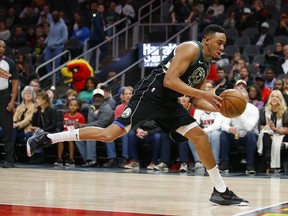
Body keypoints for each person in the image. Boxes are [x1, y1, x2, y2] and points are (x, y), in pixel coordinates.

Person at [26, 24, 249, 206]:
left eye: (224, 44)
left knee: (200, 136)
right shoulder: (190, 48)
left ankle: (220, 191)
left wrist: (218, 105)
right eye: (220, 42)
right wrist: (204, 93)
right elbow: (169, 80)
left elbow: (195, 100)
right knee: (109, 134)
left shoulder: (207, 63)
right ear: (207, 39)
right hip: (151, 94)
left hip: (170, 103)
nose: (222, 47)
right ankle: (47, 137)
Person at [219, 89, 259, 175]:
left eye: (243, 98)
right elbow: (223, 125)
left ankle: (250, 165)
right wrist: (229, 129)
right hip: (234, 135)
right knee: (223, 134)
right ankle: (224, 164)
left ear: (247, 99)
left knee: (251, 134)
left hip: (247, 137)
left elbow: (249, 127)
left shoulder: (253, 109)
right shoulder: (230, 107)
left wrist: (240, 113)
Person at [74, 89, 116, 168]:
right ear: (93, 98)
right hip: (94, 129)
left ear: (103, 98)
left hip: (105, 130)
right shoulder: (91, 107)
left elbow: (100, 124)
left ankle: (92, 160)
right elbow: (90, 121)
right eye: (96, 96)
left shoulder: (107, 108)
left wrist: (83, 126)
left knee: (90, 136)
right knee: (77, 137)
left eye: (100, 97)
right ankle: (86, 160)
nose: (98, 98)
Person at [257, 90, 288, 173]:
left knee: (266, 136)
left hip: (282, 135)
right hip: (269, 134)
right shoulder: (265, 110)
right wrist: (266, 127)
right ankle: (268, 159)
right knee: (265, 133)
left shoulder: (285, 111)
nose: (274, 98)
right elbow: (261, 126)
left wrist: (274, 129)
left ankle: (268, 163)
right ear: (270, 98)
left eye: (277, 97)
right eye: (273, 96)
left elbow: (286, 130)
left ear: (280, 100)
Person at [0, 40, 19, 168]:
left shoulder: (9, 63)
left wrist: (12, 101)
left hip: (4, 97)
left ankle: (9, 159)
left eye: (3, 47)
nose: (2, 48)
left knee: (8, 130)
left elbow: (15, 83)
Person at [54, 98, 85, 166]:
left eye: (74, 105)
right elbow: (65, 127)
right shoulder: (66, 116)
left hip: (77, 133)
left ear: (78, 107)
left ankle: (71, 159)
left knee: (70, 139)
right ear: (68, 106)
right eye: (71, 105)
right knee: (60, 138)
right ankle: (59, 159)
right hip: (68, 132)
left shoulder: (80, 116)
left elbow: (83, 127)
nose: (72, 107)